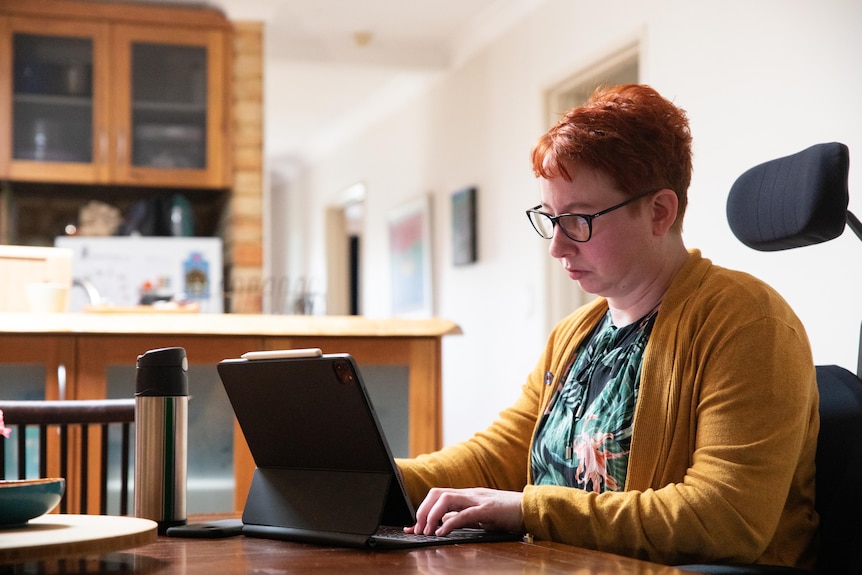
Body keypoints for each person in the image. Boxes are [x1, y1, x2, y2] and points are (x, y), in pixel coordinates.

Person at [396, 84, 819, 570]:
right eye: (550, 219)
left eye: (578, 219)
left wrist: (528, 510)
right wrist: (380, 477)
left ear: (660, 212)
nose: (557, 246)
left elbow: (724, 517)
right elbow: (496, 457)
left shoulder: (747, 322)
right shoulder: (574, 334)